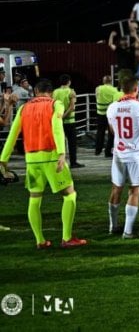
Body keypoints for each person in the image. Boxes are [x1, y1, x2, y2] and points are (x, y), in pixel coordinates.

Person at [0, 79, 87, 248]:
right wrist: (62, 152)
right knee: (70, 195)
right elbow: (57, 126)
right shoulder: (55, 104)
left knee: (34, 199)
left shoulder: (24, 108)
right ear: (51, 92)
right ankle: (67, 238)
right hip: (52, 157)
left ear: (35, 92)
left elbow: (13, 133)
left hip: (32, 160)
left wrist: (3, 159)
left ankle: (40, 240)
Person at [106, 76, 139, 239]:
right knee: (134, 191)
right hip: (136, 154)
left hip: (119, 152)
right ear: (136, 89)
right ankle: (128, 231)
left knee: (116, 189)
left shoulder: (112, 107)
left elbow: (112, 131)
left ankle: (113, 226)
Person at [53, 74, 83, 168]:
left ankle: (59, 162)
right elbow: (72, 107)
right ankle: (73, 162)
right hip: (69, 122)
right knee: (72, 143)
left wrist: (59, 117)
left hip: (58, 122)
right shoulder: (71, 92)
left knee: (59, 143)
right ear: (69, 82)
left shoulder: (55, 92)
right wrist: (63, 116)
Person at [95, 75, 117, 157]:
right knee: (111, 134)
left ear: (103, 81)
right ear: (111, 81)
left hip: (100, 113)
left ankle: (98, 150)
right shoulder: (114, 90)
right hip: (110, 115)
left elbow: (97, 97)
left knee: (100, 131)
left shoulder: (98, 88)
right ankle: (107, 152)